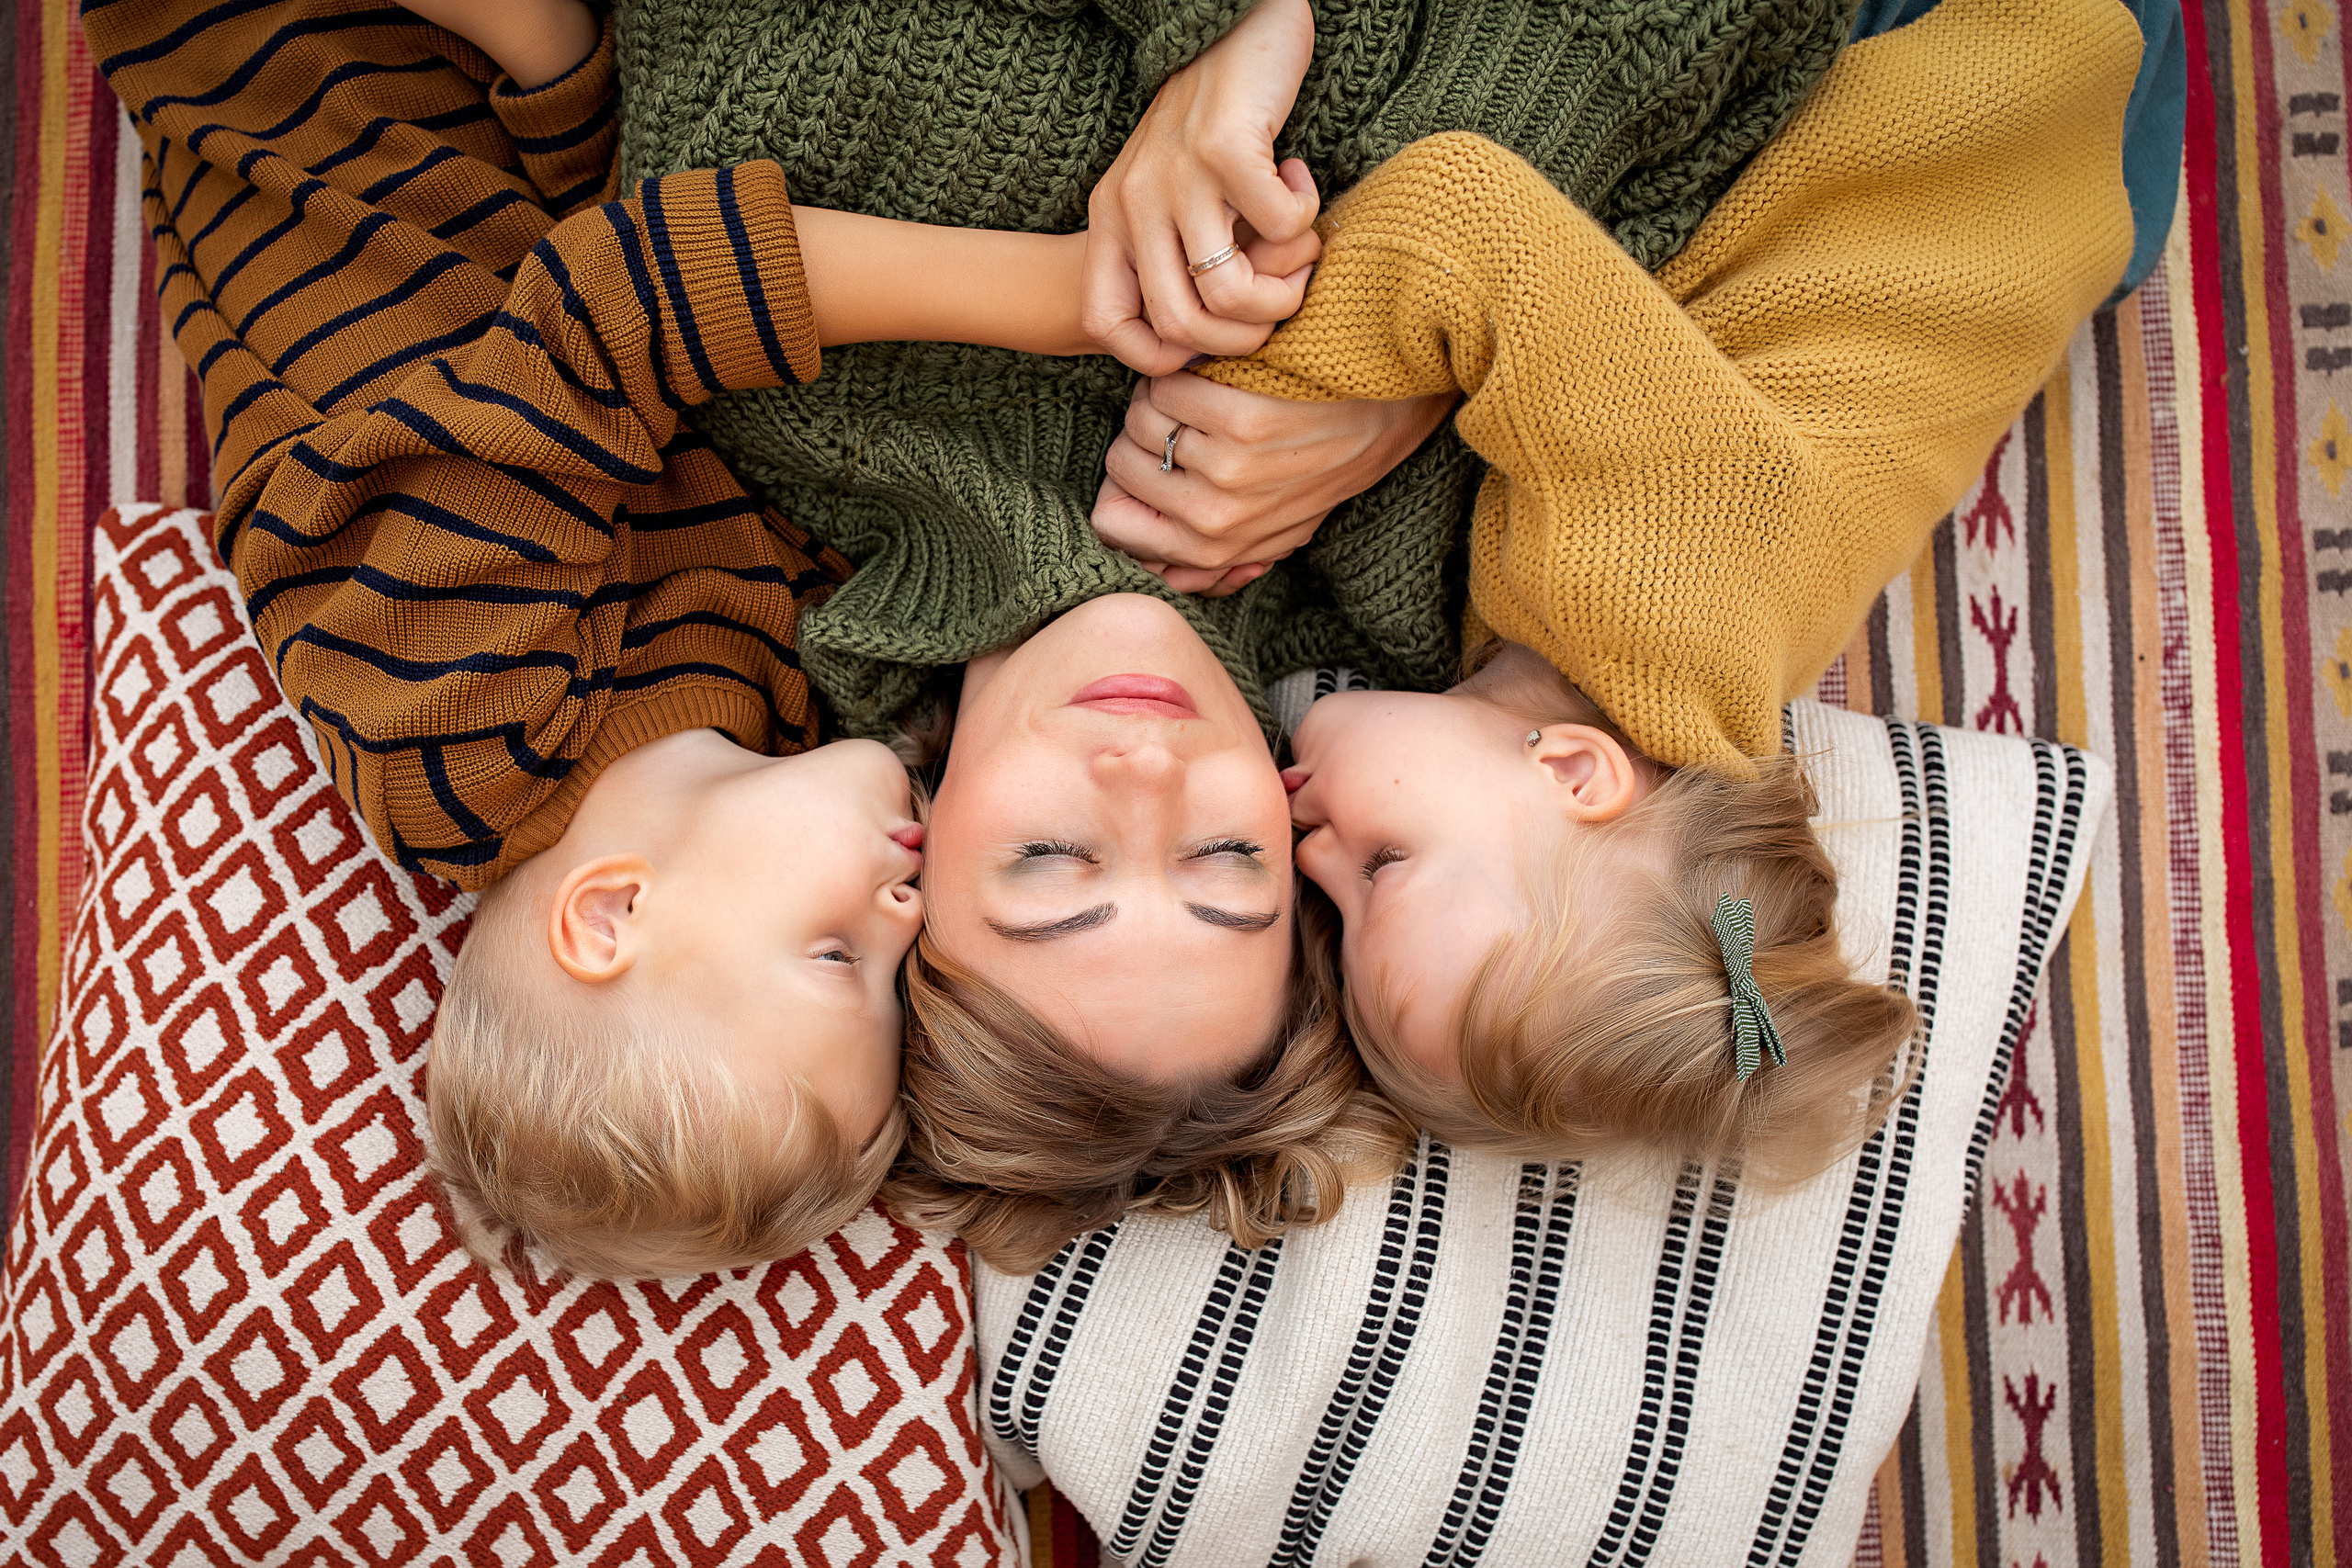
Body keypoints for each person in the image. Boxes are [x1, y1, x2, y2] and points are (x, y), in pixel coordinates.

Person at [85, 0, 1350, 1276]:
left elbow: (614, 303)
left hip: (317, 68)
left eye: (836, 951)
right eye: (895, 962)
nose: (907, 907)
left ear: (612, 912)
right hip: (540, 134)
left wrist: (1083, 293)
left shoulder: (453, 736)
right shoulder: (781, 711)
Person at [1224, 0, 2154, 1174]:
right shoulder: (1663, 581)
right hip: (2000, 64)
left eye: (1335, 912)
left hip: (2076, 198)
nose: (1307, 857)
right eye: (1381, 869)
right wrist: (1253, 403)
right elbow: (1461, 212)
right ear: (1571, 771)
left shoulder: (1608, 679)